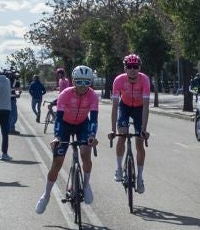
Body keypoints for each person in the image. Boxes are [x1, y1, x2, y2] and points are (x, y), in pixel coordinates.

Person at [36, 64, 99, 213]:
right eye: (79, 82)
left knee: (85, 154)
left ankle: (86, 184)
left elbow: (94, 119)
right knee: (57, 163)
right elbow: (58, 119)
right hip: (65, 124)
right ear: (73, 81)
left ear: (90, 82)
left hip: (82, 125)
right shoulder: (65, 93)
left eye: (87, 82)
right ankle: (46, 195)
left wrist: (91, 135)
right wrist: (57, 137)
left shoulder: (93, 96)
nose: (83, 86)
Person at [110, 53, 153, 192]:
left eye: (135, 66)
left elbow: (146, 107)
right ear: (125, 68)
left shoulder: (144, 80)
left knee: (139, 142)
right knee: (122, 135)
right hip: (125, 106)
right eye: (129, 66)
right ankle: (118, 168)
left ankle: (140, 177)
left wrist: (144, 129)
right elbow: (115, 106)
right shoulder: (118, 80)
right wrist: (113, 129)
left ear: (139, 67)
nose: (132, 69)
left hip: (139, 108)